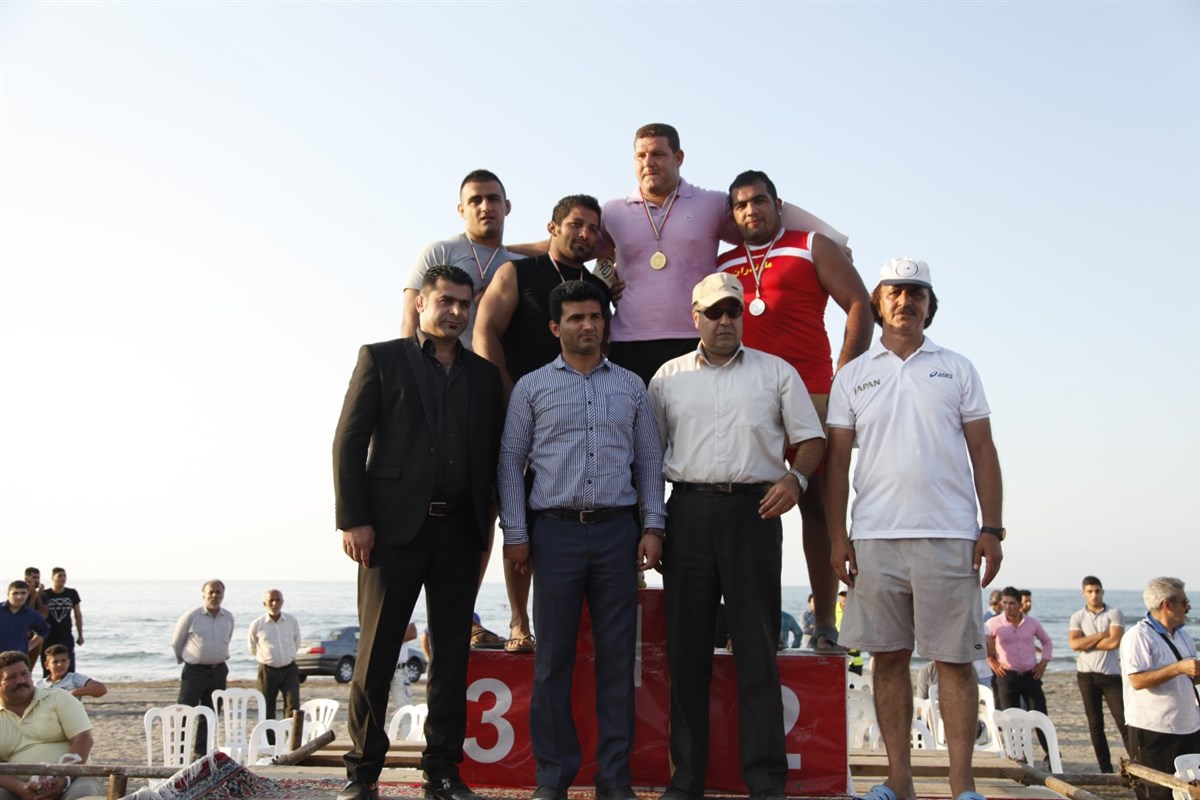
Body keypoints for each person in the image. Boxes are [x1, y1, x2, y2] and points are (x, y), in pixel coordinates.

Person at [826, 257, 1004, 800]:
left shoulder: (958, 368)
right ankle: (898, 781)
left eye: (917, 293)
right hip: (873, 536)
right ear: (879, 304)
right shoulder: (852, 375)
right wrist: (837, 537)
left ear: (930, 305)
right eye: (895, 293)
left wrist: (992, 528)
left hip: (950, 533)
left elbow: (983, 449)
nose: (906, 302)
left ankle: (962, 785)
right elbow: (837, 463)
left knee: (954, 660)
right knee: (887, 659)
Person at [648, 272, 825, 800]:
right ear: (695, 317)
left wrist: (795, 480)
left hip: (756, 514)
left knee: (757, 650)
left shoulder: (776, 372)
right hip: (688, 515)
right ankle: (686, 781)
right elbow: (648, 458)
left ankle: (766, 783)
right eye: (714, 312)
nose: (725, 320)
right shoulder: (667, 378)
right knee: (686, 654)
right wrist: (653, 524)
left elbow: (811, 439)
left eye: (733, 311)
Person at [333, 264, 503, 800]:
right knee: (376, 655)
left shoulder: (483, 376)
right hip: (389, 533)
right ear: (421, 303)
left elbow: (491, 455)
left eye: (464, 304)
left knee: (451, 656)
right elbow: (347, 442)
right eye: (446, 301)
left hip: (459, 533)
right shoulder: (381, 359)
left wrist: (492, 527)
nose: (456, 312)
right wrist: (354, 518)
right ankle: (362, 774)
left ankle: (443, 771)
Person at [498, 279, 665, 800]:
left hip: (618, 534)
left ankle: (614, 781)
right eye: (575, 318)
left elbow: (649, 460)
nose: (587, 325)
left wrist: (653, 526)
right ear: (556, 327)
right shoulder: (531, 388)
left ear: (605, 322)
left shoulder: (632, 387)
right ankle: (553, 779)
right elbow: (510, 462)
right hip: (554, 535)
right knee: (552, 664)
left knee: (617, 663)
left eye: (595, 316)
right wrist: (516, 533)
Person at [539, 123, 846, 386]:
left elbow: (762, 221)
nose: (648, 163)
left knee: (694, 431)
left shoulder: (712, 203)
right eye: (641, 156)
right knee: (634, 431)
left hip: (695, 337)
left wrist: (832, 240)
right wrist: (515, 250)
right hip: (629, 342)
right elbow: (571, 245)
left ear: (678, 157)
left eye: (658, 154)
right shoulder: (612, 211)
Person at [717, 170, 871, 654]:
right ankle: (749, 622)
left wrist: (845, 376)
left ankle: (825, 623)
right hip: (747, 401)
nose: (751, 211)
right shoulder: (722, 263)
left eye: (759, 200)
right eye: (741, 205)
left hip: (814, 394)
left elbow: (859, 304)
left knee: (818, 508)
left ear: (778, 204)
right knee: (749, 511)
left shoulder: (811, 245)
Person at [474, 195, 612, 656]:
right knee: (509, 514)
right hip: (516, 409)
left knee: (557, 516)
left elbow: (604, 350)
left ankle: (569, 622)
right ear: (552, 228)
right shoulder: (518, 272)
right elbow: (485, 331)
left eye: (593, 228)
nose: (585, 234)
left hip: (576, 422)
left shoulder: (598, 288)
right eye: (576, 224)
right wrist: (508, 394)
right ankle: (518, 620)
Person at [402, 170, 522, 346]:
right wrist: (411, 361)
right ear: (461, 210)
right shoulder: (438, 252)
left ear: (507, 206)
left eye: (493, 199)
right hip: (439, 361)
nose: (485, 207)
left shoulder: (520, 264)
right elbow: (409, 321)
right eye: (475, 201)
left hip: (496, 362)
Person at [1120, 577, 1199, 800]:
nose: (1188, 607)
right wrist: (1179, 668)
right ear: (1167, 604)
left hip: (1188, 727)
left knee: (1189, 792)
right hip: (1154, 729)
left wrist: (1191, 672)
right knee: (1156, 792)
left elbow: (1188, 678)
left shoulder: (1182, 635)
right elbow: (1137, 680)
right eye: (1184, 602)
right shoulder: (1138, 636)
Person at [0, 651, 105, 800]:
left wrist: (63, 778)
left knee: (83, 795)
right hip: (16, 785)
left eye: (24, 674)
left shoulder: (58, 698)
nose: (21, 680)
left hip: (74, 775)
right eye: (11, 677)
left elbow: (83, 740)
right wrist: (19, 787)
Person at [1069, 575, 1128, 773]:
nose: (1094, 595)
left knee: (1123, 721)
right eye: (1090, 591)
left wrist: (1086, 642)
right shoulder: (1077, 616)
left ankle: (1138, 764)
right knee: (1095, 724)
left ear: (1103, 592)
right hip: (1086, 675)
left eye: (1097, 591)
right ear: (1083, 594)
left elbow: (1114, 642)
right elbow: (1074, 644)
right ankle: (1105, 769)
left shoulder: (1114, 613)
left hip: (1110, 675)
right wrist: (1101, 635)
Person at [171, 579, 233, 758]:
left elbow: (228, 638)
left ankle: (201, 753)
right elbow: (177, 641)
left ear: (223, 594)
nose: (214, 595)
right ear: (203, 594)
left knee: (210, 713)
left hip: (218, 671)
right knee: (185, 711)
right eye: (211, 592)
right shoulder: (192, 616)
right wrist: (185, 660)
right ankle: (179, 753)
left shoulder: (228, 617)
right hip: (194, 672)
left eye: (218, 592)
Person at [985, 586, 1052, 721]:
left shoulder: (1031, 623)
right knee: (1010, 719)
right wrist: (992, 662)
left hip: (1030, 675)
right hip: (1006, 675)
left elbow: (1047, 642)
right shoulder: (993, 623)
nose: (1007, 607)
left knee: (1040, 716)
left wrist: (1043, 663)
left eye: (1011, 603)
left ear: (1019, 604)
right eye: (1005, 603)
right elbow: (980, 645)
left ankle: (1043, 736)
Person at [247, 589, 302, 722]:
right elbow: (252, 646)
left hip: (289, 669)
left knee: (293, 705)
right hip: (268, 670)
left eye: (277, 600)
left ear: (282, 602)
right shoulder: (257, 624)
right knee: (267, 707)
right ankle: (269, 735)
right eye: (271, 600)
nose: (274, 603)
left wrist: (288, 655)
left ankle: (290, 734)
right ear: (264, 603)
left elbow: (296, 641)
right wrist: (266, 657)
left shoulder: (291, 621)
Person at [41, 568, 83, 676]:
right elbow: (39, 616)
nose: (63, 578)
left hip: (65, 636)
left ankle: (69, 687)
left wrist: (80, 635)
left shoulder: (72, 593)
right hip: (48, 637)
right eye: (59, 576)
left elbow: (77, 615)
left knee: (69, 668)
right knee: (48, 669)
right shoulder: (45, 594)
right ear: (52, 577)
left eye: (64, 576)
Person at [36, 644, 106, 699]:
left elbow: (101, 689)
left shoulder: (73, 678)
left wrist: (74, 692)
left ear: (69, 662)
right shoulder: (39, 685)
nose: (60, 664)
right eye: (55, 662)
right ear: (47, 665)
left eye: (63, 661)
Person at [0, 583, 48, 657]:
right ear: (8, 594)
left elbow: (44, 630)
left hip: (18, 658)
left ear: (27, 594)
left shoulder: (32, 614)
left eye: (23, 593)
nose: (19, 597)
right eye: (15, 593)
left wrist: (30, 646)